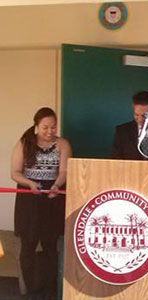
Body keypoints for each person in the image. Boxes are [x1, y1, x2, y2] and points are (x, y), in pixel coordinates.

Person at [11, 107, 72, 300]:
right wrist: (29, 183)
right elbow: (15, 173)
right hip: (29, 199)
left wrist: (56, 185)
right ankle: (29, 290)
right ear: (36, 126)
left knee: (50, 246)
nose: (50, 131)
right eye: (45, 127)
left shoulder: (62, 144)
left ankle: (50, 290)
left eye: (53, 127)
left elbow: (64, 172)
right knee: (28, 246)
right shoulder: (24, 143)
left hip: (52, 198)